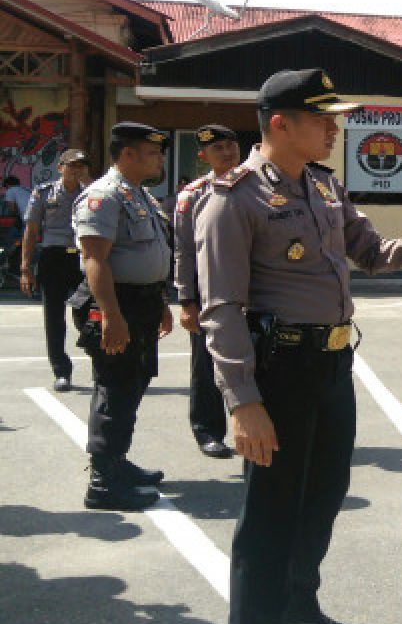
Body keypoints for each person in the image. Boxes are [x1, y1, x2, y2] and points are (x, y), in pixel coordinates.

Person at [195, 68, 402, 624]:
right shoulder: (232, 198)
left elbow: (372, 252)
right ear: (281, 124)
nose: (335, 128)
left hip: (332, 367)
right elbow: (220, 310)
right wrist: (244, 402)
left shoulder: (323, 186)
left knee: (321, 498)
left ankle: (298, 613)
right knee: (269, 518)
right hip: (278, 371)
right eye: (322, 118)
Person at [72, 124, 174, 511]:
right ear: (128, 154)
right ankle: (103, 482)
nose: (159, 158)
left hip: (141, 303)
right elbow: (95, 259)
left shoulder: (138, 195)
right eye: (152, 152)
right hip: (116, 304)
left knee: (132, 383)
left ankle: (116, 461)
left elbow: (151, 256)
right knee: (115, 387)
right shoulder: (104, 196)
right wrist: (111, 316)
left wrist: (160, 302)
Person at [174, 125, 242, 458]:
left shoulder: (260, 186)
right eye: (218, 149)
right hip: (209, 292)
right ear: (203, 156)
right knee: (207, 362)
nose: (227, 153)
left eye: (231, 146)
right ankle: (208, 430)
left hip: (254, 290)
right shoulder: (193, 195)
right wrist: (186, 301)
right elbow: (184, 251)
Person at [20, 149, 91, 391]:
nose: (76, 170)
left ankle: (101, 365)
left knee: (87, 313)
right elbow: (30, 230)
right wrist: (25, 268)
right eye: (71, 166)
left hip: (82, 258)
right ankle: (61, 371)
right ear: (60, 167)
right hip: (53, 258)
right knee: (54, 318)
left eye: (80, 166)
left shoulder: (91, 193)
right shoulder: (43, 193)